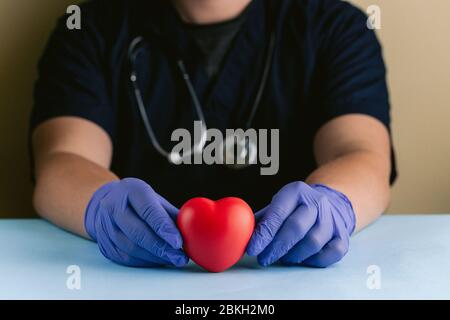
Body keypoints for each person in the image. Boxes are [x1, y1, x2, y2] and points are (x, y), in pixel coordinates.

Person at [30, 0, 396, 268]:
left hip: (292, 281)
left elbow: (361, 153)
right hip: (134, 282)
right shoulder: (89, 28)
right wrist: (100, 207)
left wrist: (332, 204)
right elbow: (62, 162)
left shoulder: (336, 27)